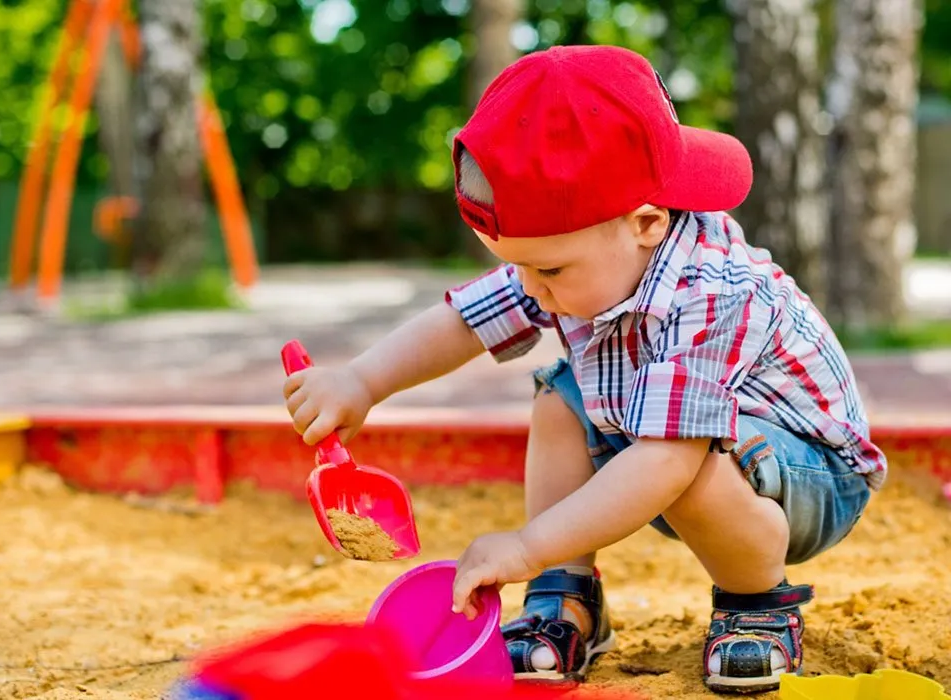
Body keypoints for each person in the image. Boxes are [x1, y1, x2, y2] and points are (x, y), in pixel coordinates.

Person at [282, 44, 885, 694]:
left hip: (808, 477)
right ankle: (565, 599)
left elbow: (666, 460)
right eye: (518, 266)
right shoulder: (575, 252)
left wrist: (524, 545)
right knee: (560, 395)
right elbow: (465, 321)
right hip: (667, 446)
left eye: (548, 271)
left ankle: (756, 606)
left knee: (689, 452)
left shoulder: (715, 291)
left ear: (646, 223)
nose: (532, 290)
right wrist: (363, 381)